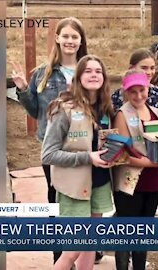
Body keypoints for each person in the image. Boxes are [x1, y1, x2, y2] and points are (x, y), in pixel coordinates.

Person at [10, 16, 88, 264]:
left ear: (80, 41)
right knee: (56, 199)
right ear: (57, 38)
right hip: (53, 148)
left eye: (74, 36)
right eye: (65, 36)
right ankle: (60, 256)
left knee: (85, 198)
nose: (70, 41)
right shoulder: (42, 74)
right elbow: (35, 111)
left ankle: (85, 249)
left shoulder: (89, 69)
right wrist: (23, 89)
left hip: (84, 145)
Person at [41, 55, 115, 270]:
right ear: (78, 76)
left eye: (98, 71)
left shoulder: (106, 108)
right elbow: (48, 154)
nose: (94, 75)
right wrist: (87, 157)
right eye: (88, 71)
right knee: (73, 249)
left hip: (99, 183)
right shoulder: (63, 108)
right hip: (73, 187)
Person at [113, 70, 158, 270]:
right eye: (132, 92)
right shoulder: (122, 114)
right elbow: (123, 155)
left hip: (152, 180)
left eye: (141, 90)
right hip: (131, 182)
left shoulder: (154, 111)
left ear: (148, 89)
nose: (138, 95)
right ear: (126, 92)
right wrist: (155, 163)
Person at [111, 48, 158, 114]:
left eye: (152, 68)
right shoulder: (118, 95)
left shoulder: (157, 93)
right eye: (144, 68)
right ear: (131, 68)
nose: (149, 72)